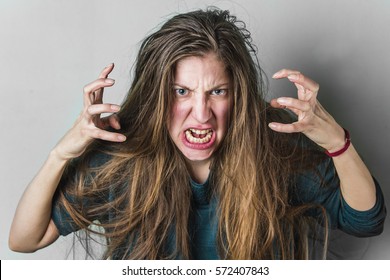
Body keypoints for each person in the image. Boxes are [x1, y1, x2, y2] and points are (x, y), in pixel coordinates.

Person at [9, 8, 386, 260]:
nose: (201, 114)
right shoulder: (121, 158)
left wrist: (337, 142)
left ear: (236, 95)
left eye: (217, 92)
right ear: (159, 96)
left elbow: (365, 220)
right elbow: (26, 239)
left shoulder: (273, 150)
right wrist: (62, 153)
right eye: (182, 91)